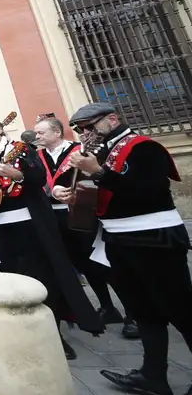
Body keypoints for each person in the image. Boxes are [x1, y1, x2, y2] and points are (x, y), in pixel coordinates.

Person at [0, 114, 103, 360]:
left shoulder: (20, 151)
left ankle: (55, 334)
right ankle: (26, 332)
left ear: (0, 129)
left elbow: (38, 178)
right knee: (13, 284)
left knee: (45, 279)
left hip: (31, 227)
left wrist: (17, 174)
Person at [66, 103, 190, 395]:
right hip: (118, 241)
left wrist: (98, 173)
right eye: (80, 130)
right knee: (144, 311)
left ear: (112, 119)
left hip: (155, 239)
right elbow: (97, 194)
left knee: (180, 309)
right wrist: (68, 190)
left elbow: (146, 190)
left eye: (89, 126)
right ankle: (153, 376)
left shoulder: (145, 148)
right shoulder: (99, 154)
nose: (85, 133)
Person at [34, 115, 126, 326]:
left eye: (41, 132)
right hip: (53, 216)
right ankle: (107, 307)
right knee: (80, 263)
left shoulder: (79, 150)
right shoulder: (38, 156)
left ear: (57, 132)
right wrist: (53, 190)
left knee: (101, 261)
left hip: (82, 211)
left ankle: (131, 312)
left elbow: (94, 176)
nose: (37, 136)